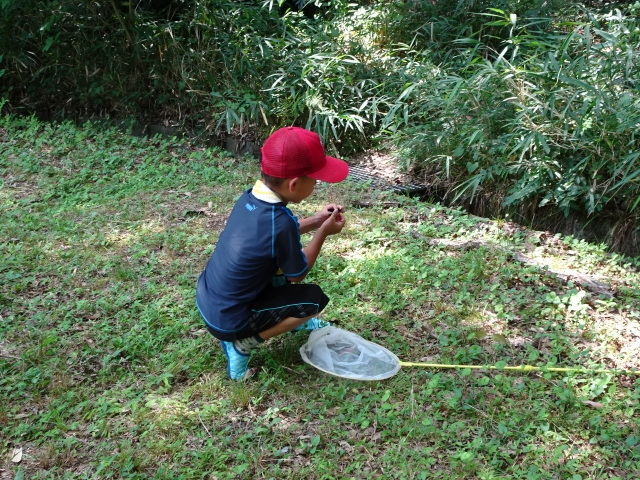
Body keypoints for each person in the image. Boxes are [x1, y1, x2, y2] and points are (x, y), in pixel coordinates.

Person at [196, 126, 349, 380]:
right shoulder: (280, 222)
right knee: (313, 300)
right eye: (315, 180)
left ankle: (279, 325)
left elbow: (276, 236)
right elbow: (298, 274)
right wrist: (323, 231)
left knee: (275, 267)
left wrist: (317, 219)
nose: (316, 184)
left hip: (211, 303)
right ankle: (242, 345)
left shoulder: (250, 199)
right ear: (295, 184)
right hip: (230, 320)